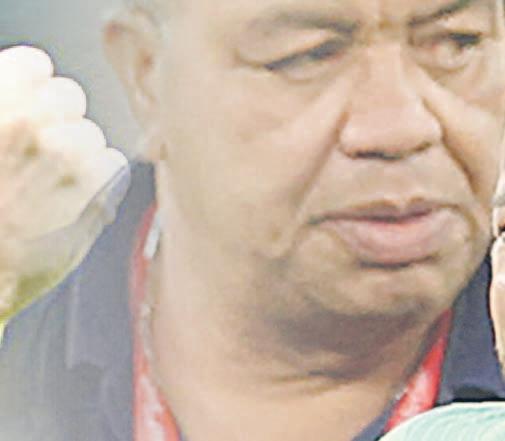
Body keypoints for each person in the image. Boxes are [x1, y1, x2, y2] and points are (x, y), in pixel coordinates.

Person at [3, 0, 505, 440]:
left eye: (456, 43)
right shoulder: (24, 311)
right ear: (146, 75)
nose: (399, 128)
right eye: (307, 55)